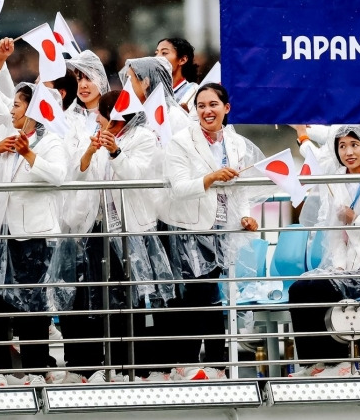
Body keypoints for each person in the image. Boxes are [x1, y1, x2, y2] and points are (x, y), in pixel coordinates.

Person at [55, 90, 172, 383]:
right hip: (96, 228)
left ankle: (129, 367)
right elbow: (76, 174)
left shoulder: (144, 138)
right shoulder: (94, 136)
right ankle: (91, 366)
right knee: (92, 296)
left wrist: (115, 152)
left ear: (117, 117)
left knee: (127, 298)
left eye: (103, 116)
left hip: (130, 230)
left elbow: (137, 177)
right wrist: (89, 152)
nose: (99, 120)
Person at [162, 83, 263, 380]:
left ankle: (217, 365)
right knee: (195, 295)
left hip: (222, 229)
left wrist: (245, 216)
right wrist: (210, 177)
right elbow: (178, 188)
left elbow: (240, 188)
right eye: (201, 106)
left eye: (213, 104)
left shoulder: (236, 144)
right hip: (189, 228)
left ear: (226, 108)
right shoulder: (180, 141)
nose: (207, 111)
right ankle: (187, 362)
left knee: (215, 295)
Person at [0, 83, 67, 387]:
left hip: (34, 235)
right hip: (1, 233)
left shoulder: (51, 141)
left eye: (18, 104)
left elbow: (58, 176)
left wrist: (29, 155)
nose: (12, 110)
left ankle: (35, 370)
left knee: (33, 304)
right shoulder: (7, 138)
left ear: (32, 110)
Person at [289, 125, 360, 378]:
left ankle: (337, 362)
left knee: (323, 289)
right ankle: (314, 363)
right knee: (299, 288)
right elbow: (336, 235)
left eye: (354, 145)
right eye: (342, 146)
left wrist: (355, 219)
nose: (349, 152)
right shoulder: (336, 183)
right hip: (350, 268)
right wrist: (339, 268)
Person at [154, 38, 199, 113]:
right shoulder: (152, 91)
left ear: (182, 60)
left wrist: (185, 117)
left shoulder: (194, 91)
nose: (157, 58)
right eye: (156, 53)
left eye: (164, 53)